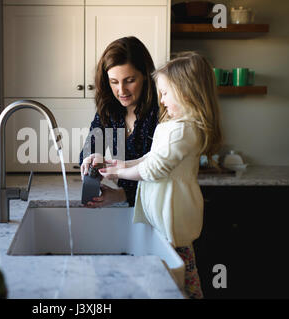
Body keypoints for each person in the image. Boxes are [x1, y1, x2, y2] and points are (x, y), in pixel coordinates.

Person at [98, 51, 223, 299]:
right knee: (170, 281)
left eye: (165, 93)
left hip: (172, 223)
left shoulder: (184, 131)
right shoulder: (173, 127)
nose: (162, 101)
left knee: (178, 284)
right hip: (161, 222)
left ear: (187, 92)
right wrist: (120, 164)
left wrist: (117, 171)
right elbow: (150, 159)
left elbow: (154, 170)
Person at [79, 36, 159, 208]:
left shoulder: (161, 111)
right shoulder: (109, 109)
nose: (121, 90)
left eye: (130, 81)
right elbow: (88, 151)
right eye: (114, 82)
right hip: (129, 207)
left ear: (145, 75)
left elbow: (161, 170)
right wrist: (92, 160)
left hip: (157, 206)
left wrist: (122, 195)